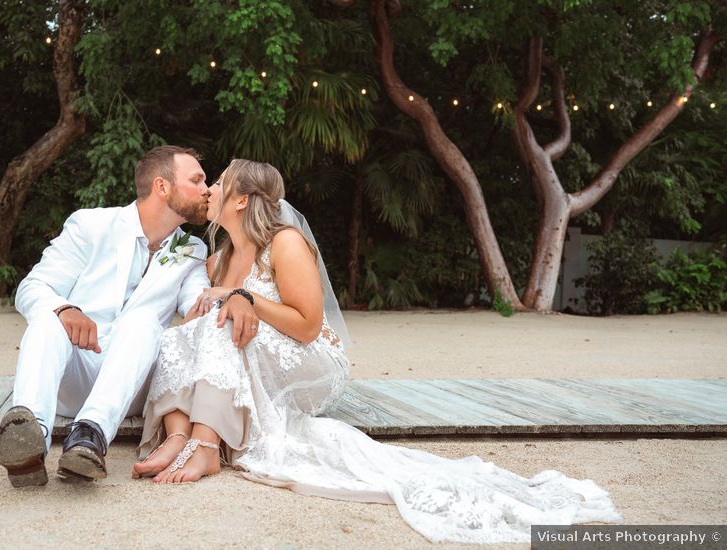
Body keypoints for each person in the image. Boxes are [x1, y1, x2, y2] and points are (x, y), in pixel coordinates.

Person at [132, 159, 621, 544]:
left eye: (218, 182)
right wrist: (210, 311)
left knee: (221, 327)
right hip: (255, 352)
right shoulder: (218, 260)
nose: (210, 190)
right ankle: (179, 435)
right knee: (180, 333)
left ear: (240, 201)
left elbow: (307, 326)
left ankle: (206, 446)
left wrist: (246, 299)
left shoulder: (283, 243)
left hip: (310, 362)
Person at [0, 145, 259, 487]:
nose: (207, 189)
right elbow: (32, 287)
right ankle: (29, 439)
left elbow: (198, 303)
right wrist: (66, 308)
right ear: (162, 187)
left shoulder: (193, 250)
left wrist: (232, 299)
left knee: (145, 321)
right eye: (197, 180)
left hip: (132, 384)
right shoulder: (91, 225)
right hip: (74, 371)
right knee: (48, 317)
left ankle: (90, 436)